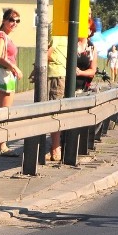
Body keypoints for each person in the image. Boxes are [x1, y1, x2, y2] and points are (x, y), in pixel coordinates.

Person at [0, 8, 23, 157]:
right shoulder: (2, 35)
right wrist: (14, 67)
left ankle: (1, 144)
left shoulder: (6, 36)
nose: (14, 23)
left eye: (17, 21)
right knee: (4, 111)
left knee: (2, 110)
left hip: (7, 75)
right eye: (11, 20)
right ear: (4, 20)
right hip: (6, 75)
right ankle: (1, 145)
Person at [47, 32, 68, 162]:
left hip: (56, 74)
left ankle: (55, 149)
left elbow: (48, 53)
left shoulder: (56, 33)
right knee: (57, 110)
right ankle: (55, 147)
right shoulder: (64, 34)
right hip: (61, 74)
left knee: (55, 111)